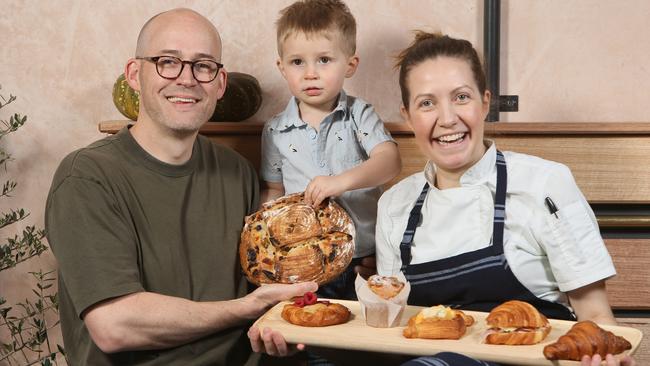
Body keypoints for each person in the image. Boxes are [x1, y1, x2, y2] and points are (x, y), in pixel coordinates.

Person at [45, 8, 315, 366]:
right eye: (167, 62)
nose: (187, 79)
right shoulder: (87, 177)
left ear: (220, 84)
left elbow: (266, 294)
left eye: (203, 65)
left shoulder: (238, 173)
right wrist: (245, 309)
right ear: (134, 75)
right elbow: (115, 325)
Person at [376, 32, 635, 366]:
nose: (448, 118)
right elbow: (392, 328)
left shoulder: (543, 183)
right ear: (408, 116)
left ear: (485, 102)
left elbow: (595, 314)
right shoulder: (395, 205)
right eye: (427, 103)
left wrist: (605, 355)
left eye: (461, 97)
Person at [259, 0, 401, 302]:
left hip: (363, 260)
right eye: (298, 62)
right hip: (306, 262)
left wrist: (340, 182)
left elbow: (389, 161)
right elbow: (273, 189)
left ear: (350, 65)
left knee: (364, 336)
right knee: (309, 333)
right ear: (282, 67)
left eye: (324, 60)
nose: (311, 73)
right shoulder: (274, 131)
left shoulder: (359, 115)